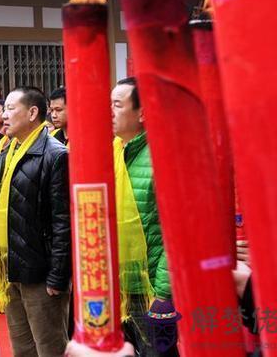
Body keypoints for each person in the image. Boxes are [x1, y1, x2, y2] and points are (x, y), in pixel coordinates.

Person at [0, 86, 71, 357]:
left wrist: (58, 275)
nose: (4, 115)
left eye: (11, 109)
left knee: (50, 347)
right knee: (22, 348)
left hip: (39, 270)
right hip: (10, 265)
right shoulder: (7, 151)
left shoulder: (55, 154)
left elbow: (62, 221)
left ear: (33, 112)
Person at [111, 77, 175, 357]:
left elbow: (175, 234)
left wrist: (163, 294)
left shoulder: (162, 157)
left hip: (149, 288)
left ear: (142, 113)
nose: (109, 112)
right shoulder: (112, 151)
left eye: (117, 105)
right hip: (116, 285)